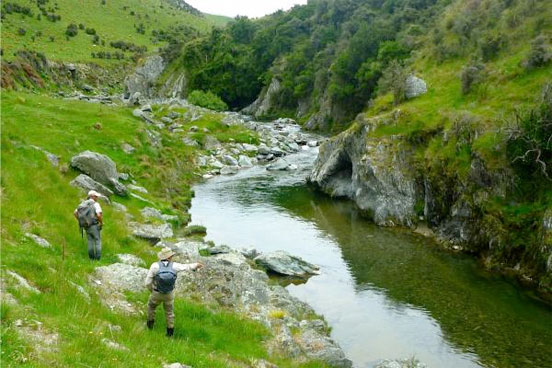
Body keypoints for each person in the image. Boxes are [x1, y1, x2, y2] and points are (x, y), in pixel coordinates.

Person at [145, 248, 204, 337]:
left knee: (151, 307)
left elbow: (147, 283)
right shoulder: (174, 266)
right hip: (169, 294)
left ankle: (150, 327)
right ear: (169, 257)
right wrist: (197, 265)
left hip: (156, 293)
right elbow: (187, 266)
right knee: (169, 312)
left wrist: (152, 291)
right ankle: (170, 334)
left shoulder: (154, 266)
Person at [74, 190, 103, 260]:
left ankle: (91, 259)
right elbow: (99, 215)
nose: (97, 198)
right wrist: (101, 222)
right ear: (92, 196)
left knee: (90, 241)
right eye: (96, 196)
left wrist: (81, 220)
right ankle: (98, 259)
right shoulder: (96, 204)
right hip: (94, 225)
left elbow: (75, 213)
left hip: (86, 226)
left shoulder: (83, 204)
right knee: (97, 241)